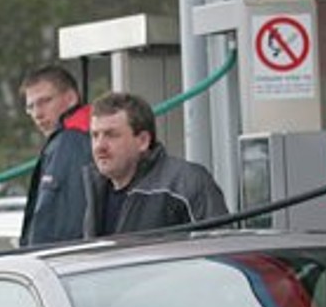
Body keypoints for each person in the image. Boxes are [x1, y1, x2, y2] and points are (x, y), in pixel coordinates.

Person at [83, 91, 228, 237]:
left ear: (143, 141)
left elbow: (221, 249)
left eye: (111, 135)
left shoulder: (187, 183)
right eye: (95, 135)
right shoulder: (94, 190)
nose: (99, 146)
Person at [18, 63, 92, 247]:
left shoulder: (71, 141)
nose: (37, 114)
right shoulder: (85, 132)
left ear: (71, 98)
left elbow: (62, 221)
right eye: (31, 107)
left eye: (44, 101)